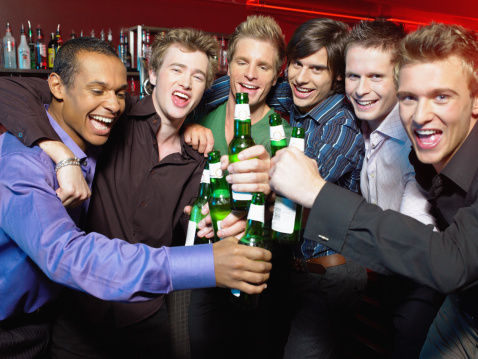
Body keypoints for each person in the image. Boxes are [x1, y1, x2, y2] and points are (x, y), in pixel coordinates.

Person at [0, 34, 272, 358]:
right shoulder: (112, 122)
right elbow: (19, 91)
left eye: (197, 76)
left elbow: (199, 224)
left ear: (206, 89)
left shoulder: (200, 160)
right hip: (77, 316)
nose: (185, 82)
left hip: (144, 319)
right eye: (176, 69)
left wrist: (239, 209)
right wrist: (61, 153)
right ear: (152, 74)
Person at [270, 23, 478, 358]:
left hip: (422, 284)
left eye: (441, 96)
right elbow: (279, 87)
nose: (421, 115)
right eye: (353, 76)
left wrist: (316, 192)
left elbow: (437, 256)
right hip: (443, 297)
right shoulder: (361, 119)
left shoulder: (414, 146)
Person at [187, 15, 291, 359]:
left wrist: (256, 215)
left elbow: (293, 224)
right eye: (243, 61)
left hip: (259, 285)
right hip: (204, 277)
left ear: (277, 75)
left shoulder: (283, 139)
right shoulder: (201, 122)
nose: (250, 74)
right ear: (227, 64)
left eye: (263, 66)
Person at [344, 19, 444, 358]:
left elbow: (411, 235)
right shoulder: (361, 126)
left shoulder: (415, 139)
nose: (360, 88)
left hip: (421, 282)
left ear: (400, 78)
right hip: (387, 275)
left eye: (376, 76)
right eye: (353, 75)